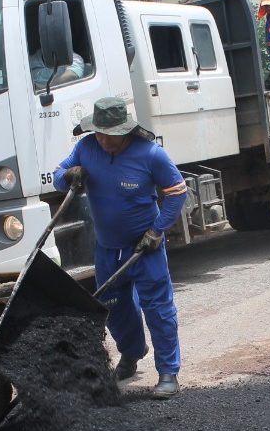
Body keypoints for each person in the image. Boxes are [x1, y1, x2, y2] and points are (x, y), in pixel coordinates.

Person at [52, 97, 188, 399]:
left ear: (125, 131)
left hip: (144, 248)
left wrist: (157, 231)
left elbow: (178, 193)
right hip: (107, 249)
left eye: (110, 135)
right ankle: (131, 354)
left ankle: (168, 372)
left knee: (158, 308)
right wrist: (71, 175)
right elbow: (58, 177)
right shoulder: (87, 148)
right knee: (114, 308)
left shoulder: (151, 155)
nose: (103, 140)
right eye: (98, 133)